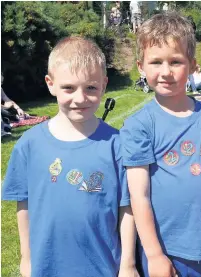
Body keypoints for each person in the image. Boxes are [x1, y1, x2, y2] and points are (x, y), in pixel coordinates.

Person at [1, 37, 139, 277]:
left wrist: (127, 264)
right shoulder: (29, 145)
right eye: (68, 88)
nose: (80, 98)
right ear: (50, 84)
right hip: (47, 267)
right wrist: (27, 257)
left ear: (104, 85)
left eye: (90, 88)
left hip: (103, 267)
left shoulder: (117, 145)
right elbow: (23, 206)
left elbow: (127, 209)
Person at [120, 12, 201, 277]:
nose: (166, 72)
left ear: (193, 65)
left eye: (176, 61)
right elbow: (139, 195)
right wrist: (155, 255)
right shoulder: (139, 125)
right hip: (163, 249)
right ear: (141, 66)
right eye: (156, 62)